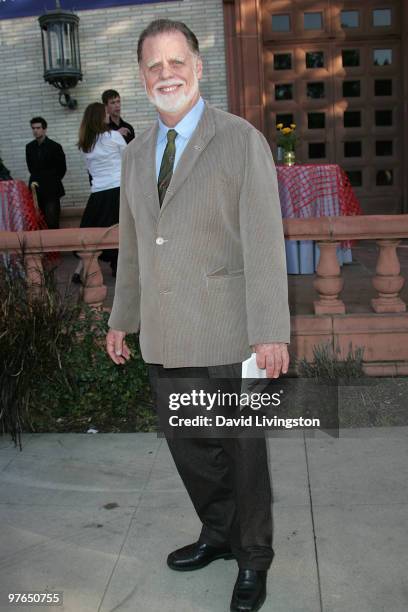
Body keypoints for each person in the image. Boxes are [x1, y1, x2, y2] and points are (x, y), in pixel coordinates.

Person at [106, 19, 290, 612]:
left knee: (241, 451)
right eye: (154, 66)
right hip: (166, 334)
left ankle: (253, 558)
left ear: (198, 66)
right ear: (141, 77)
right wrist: (120, 318)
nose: (167, 74)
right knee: (190, 447)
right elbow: (133, 249)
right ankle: (217, 533)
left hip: (230, 330)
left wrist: (270, 332)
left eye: (176, 61)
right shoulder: (135, 156)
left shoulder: (240, 140)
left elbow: (264, 242)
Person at [73, 102, 126, 283]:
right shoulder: (114, 136)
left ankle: (81, 269)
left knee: (93, 231)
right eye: (105, 113)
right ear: (99, 117)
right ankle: (121, 268)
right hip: (118, 189)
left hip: (98, 193)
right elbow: (127, 161)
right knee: (122, 230)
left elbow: (90, 170)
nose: (108, 115)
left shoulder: (85, 144)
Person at [25, 117, 66, 229]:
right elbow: (31, 168)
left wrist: (51, 180)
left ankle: (55, 245)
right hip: (36, 190)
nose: (35, 131)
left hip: (51, 189)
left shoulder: (55, 146)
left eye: (38, 128)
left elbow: (62, 169)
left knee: (52, 221)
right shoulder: (29, 147)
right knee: (38, 222)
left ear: (44, 129)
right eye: (33, 128)